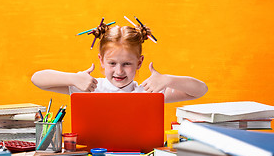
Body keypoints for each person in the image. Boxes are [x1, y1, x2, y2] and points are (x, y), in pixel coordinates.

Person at [31, 22, 208, 103]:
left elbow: (200, 90)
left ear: (139, 63)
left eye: (127, 64)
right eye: (112, 63)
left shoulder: (148, 93)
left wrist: (168, 80)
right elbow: (37, 79)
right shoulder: (90, 88)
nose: (119, 71)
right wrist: (73, 79)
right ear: (101, 61)